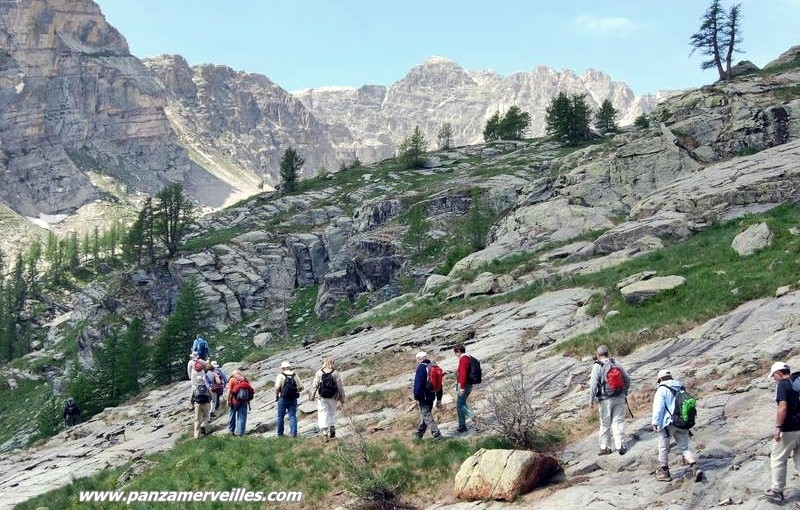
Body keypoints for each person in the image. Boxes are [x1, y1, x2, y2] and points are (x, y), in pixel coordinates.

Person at [651, 369, 702, 482]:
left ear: (660, 379)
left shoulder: (662, 389)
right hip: (682, 421)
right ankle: (694, 466)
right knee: (684, 447)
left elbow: (658, 408)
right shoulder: (680, 386)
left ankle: (665, 473)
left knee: (663, 447)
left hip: (668, 423)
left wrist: (655, 423)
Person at [764, 361, 800, 502]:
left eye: (774, 376)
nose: (774, 379)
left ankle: (777, 490)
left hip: (789, 428)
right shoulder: (796, 383)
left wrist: (778, 427)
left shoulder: (783, 384)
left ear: (779, 373)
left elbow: (783, 407)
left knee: (778, 458)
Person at [589, 344, 630, 455]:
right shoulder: (615, 363)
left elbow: (593, 384)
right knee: (618, 421)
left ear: (598, 355)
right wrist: (624, 392)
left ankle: (605, 447)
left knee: (605, 423)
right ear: (608, 353)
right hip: (620, 396)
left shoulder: (597, 366)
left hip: (605, 399)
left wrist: (591, 400)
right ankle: (620, 445)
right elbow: (627, 378)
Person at [310, 357, 346, 439]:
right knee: (331, 413)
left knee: (322, 413)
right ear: (332, 363)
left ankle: (324, 431)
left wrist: (312, 395)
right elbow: (339, 386)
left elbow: (314, 385)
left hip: (322, 397)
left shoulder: (319, 372)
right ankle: (332, 428)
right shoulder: (335, 373)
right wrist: (342, 398)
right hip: (333, 397)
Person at [413, 351, 442, 440]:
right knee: (426, 415)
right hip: (432, 395)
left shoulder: (421, 367)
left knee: (427, 415)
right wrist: (439, 398)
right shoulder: (433, 366)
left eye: (417, 359)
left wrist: (416, 396)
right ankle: (419, 435)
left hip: (423, 396)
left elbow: (419, 384)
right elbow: (440, 384)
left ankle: (437, 435)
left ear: (420, 359)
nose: (417, 361)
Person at [275, 361, 304, 438]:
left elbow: (277, 387)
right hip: (293, 398)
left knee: (280, 416)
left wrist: (277, 396)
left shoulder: (280, 375)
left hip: (283, 398)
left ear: (283, 368)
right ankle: (293, 434)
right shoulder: (295, 375)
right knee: (292, 416)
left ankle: (280, 434)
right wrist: (295, 392)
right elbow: (301, 387)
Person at [453, 343, 475, 433]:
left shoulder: (463, 359)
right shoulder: (468, 357)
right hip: (468, 385)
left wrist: (461, 387)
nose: (456, 355)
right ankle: (462, 425)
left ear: (458, 351)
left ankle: (474, 418)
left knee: (460, 405)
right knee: (461, 404)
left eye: (455, 353)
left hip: (464, 385)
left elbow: (463, 374)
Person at [227, 370, 253, 437]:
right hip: (244, 401)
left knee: (232, 416)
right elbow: (251, 389)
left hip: (234, 401)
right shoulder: (245, 379)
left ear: (233, 375)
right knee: (242, 417)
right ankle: (240, 433)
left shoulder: (232, 380)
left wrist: (228, 400)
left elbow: (229, 390)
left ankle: (231, 432)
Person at [190, 362, 211, 438]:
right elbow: (210, 395)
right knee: (206, 416)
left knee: (197, 419)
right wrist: (209, 402)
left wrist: (191, 404)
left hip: (198, 403)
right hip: (206, 403)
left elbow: (191, 397)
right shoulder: (206, 386)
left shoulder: (195, 387)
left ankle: (196, 435)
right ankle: (203, 425)